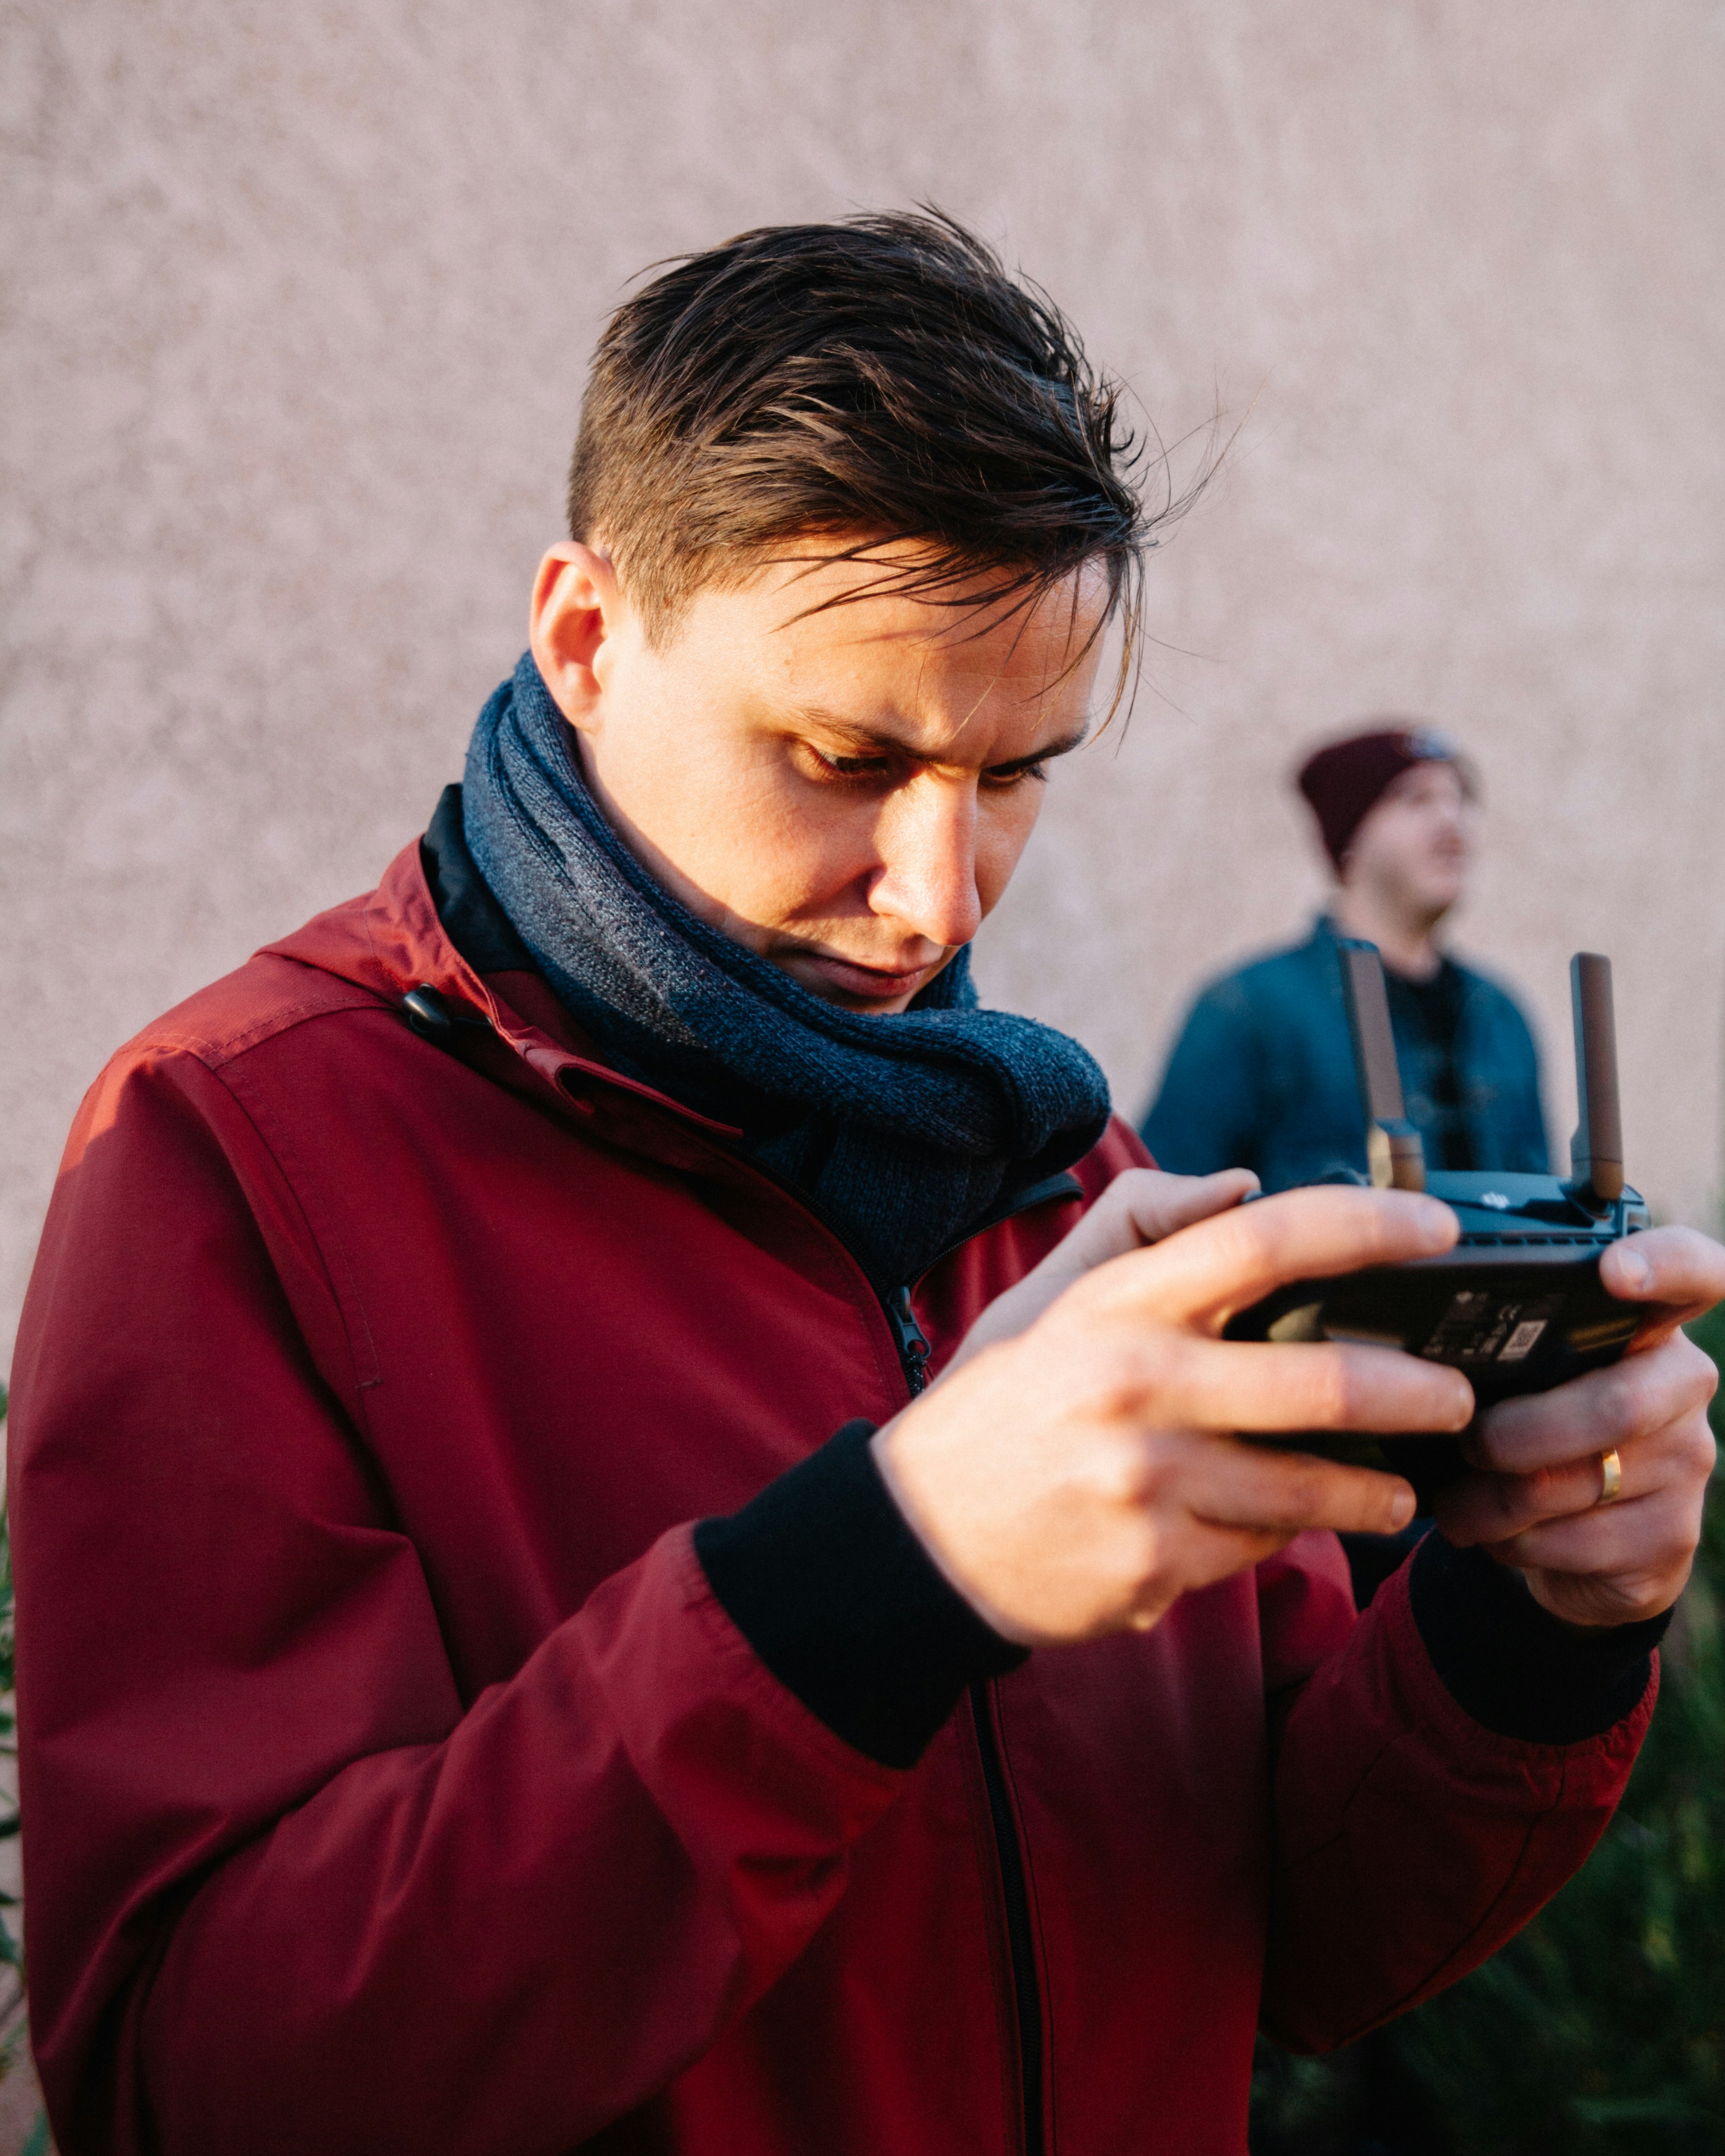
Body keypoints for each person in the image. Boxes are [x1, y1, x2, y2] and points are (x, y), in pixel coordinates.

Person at [9, 215, 1720, 2156]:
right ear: (584, 635)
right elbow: (190, 2080)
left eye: (1015, 777)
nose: (940, 897)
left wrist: (1533, 1628)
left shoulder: (1070, 1167)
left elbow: (1289, 1945)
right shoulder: (229, 1155)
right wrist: (891, 1575)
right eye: (843, 756)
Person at [1142, 727, 1549, 1190]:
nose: (1451, 821)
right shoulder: (1249, 1008)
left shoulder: (1500, 1013)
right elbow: (1167, 1199)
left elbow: (1544, 1205)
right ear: (1349, 836)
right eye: (1415, 799)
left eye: (1460, 799)